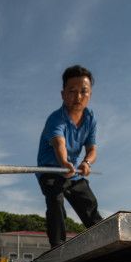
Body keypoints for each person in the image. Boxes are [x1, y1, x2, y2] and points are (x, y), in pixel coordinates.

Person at [36, 65, 102, 247]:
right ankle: (58, 247)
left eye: (84, 91)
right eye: (72, 91)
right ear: (63, 94)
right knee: (55, 200)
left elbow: (92, 149)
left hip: (72, 171)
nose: (78, 97)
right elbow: (59, 144)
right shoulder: (56, 119)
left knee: (89, 202)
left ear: (90, 94)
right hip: (51, 169)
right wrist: (64, 162)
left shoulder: (90, 118)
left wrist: (87, 163)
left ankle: (103, 243)